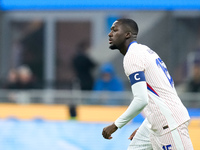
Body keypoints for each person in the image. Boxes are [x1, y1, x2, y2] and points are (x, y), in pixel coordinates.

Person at [102, 18, 194, 149]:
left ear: (127, 34)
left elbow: (141, 100)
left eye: (115, 30)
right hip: (158, 122)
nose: (110, 34)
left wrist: (115, 125)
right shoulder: (144, 51)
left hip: (169, 124)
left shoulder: (132, 56)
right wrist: (150, 124)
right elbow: (158, 92)